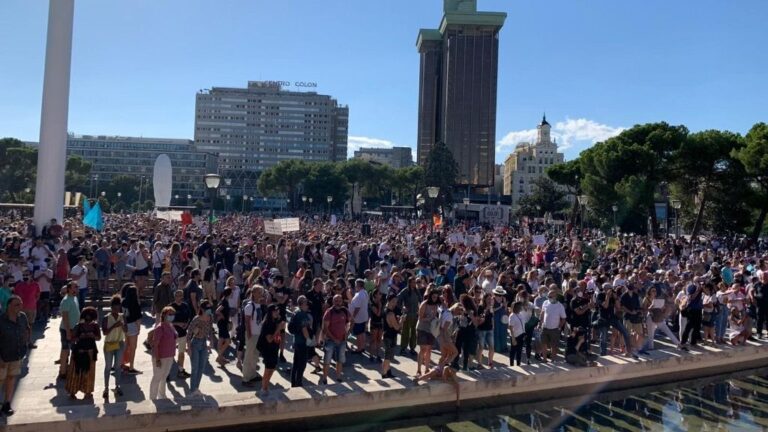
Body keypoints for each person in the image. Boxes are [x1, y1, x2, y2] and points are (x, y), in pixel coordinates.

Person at [0, 296, 30, 416]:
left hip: (17, 354)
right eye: (17, 304)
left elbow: (27, 329)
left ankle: (7, 403)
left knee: (11, 378)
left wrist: (25, 343)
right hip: (3, 356)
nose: (20, 307)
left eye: (21, 304)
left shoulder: (22, 317)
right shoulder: (1, 320)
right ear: (9, 306)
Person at [66, 306, 101, 400]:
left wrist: (92, 335)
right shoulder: (78, 326)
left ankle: (87, 391)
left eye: (90, 317)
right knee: (76, 372)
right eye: (87, 316)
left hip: (90, 351)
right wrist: (80, 337)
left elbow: (99, 338)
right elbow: (72, 339)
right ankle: (72, 391)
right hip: (79, 351)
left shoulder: (95, 325)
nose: (88, 319)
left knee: (88, 373)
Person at [186, 299, 215, 396]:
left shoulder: (210, 318)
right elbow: (189, 334)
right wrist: (189, 348)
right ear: (202, 309)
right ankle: (192, 390)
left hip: (203, 344)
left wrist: (211, 341)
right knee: (195, 368)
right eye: (207, 309)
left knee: (201, 367)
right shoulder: (196, 319)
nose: (209, 310)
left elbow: (211, 330)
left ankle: (196, 388)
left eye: (210, 308)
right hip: (195, 344)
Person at [320, 294, 350, 385]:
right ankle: (324, 378)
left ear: (342, 302)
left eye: (339, 301)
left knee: (340, 360)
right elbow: (325, 328)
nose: (338, 302)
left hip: (342, 340)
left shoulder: (345, 311)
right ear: (333, 301)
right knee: (327, 360)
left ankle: (338, 377)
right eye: (336, 300)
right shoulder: (329, 312)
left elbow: (351, 321)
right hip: (330, 341)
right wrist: (334, 339)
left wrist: (347, 333)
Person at [149, 306, 177, 400]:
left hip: (170, 355)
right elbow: (155, 345)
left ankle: (162, 395)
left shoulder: (171, 325)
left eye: (173, 314)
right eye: (170, 314)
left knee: (164, 376)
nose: (172, 316)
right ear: (164, 315)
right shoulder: (159, 328)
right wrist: (157, 359)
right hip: (160, 357)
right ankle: (152, 398)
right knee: (157, 377)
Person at [101, 295, 126, 399]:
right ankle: (106, 388)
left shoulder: (122, 316)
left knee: (118, 367)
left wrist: (123, 326)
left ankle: (117, 386)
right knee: (108, 366)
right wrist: (114, 326)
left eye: (118, 308)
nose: (116, 310)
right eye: (114, 308)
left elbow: (126, 331)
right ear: (111, 308)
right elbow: (105, 332)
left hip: (120, 343)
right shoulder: (106, 318)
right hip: (109, 343)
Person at [256, 304, 285, 394]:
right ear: (270, 312)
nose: (277, 312)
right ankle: (263, 388)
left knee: (272, 368)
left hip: (274, 347)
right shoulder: (267, 324)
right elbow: (269, 339)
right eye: (275, 311)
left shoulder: (275, 321)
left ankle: (266, 386)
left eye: (277, 310)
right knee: (268, 369)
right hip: (267, 348)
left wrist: (281, 328)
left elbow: (279, 336)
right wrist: (278, 329)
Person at [242, 285, 265, 386]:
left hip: (258, 333)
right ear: (254, 293)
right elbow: (247, 322)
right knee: (248, 355)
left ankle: (252, 374)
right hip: (252, 334)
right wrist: (249, 333)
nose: (261, 294)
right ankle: (246, 378)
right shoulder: (249, 306)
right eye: (259, 292)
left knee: (255, 355)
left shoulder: (258, 305)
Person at [289, 295, 313, 387]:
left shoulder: (296, 312)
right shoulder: (302, 314)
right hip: (302, 343)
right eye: (306, 303)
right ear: (302, 304)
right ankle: (298, 383)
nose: (308, 305)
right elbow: (304, 328)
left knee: (295, 364)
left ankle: (293, 383)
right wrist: (308, 339)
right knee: (301, 364)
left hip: (296, 342)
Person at [58, 280, 80, 380]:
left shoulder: (74, 298)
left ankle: (71, 369)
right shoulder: (66, 300)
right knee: (65, 350)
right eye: (75, 287)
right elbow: (65, 317)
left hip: (74, 328)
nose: (77, 289)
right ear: (69, 289)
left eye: (77, 287)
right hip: (67, 328)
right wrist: (67, 331)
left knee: (73, 350)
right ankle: (63, 371)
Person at [381, 294, 406, 379]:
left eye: (396, 301)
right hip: (389, 337)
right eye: (393, 301)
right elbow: (397, 327)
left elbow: (391, 324)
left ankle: (388, 371)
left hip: (387, 335)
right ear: (389, 301)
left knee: (389, 356)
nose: (395, 303)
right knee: (387, 357)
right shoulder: (391, 313)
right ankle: (384, 374)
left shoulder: (385, 309)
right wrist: (402, 321)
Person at [416, 288, 440, 375]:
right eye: (433, 297)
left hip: (431, 329)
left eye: (436, 297)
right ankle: (418, 370)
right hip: (422, 328)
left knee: (429, 349)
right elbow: (420, 318)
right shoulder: (424, 304)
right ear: (430, 296)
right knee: (422, 349)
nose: (435, 299)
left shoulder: (436, 305)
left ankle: (426, 369)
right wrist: (428, 318)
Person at [538, 289, 566, 362]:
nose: (549, 298)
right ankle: (544, 359)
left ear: (555, 297)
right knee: (543, 344)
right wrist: (539, 323)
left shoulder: (560, 306)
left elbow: (563, 318)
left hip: (554, 329)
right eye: (548, 296)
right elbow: (542, 313)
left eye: (550, 296)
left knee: (554, 345)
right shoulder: (545, 302)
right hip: (545, 327)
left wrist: (559, 327)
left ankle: (553, 360)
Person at [120, 283, 142, 374]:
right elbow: (138, 317)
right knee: (133, 347)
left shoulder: (123, 301)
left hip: (125, 324)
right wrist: (138, 328)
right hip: (132, 325)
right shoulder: (135, 302)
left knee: (125, 345)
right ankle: (131, 367)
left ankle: (120, 364)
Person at [170, 289, 192, 379]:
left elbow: (189, 317)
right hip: (172, 334)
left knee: (181, 353)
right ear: (174, 296)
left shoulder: (185, 306)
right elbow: (167, 321)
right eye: (177, 295)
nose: (179, 297)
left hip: (183, 333)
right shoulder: (171, 307)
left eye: (181, 295)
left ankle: (181, 370)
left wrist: (186, 324)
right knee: (170, 354)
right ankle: (167, 373)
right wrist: (177, 323)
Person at [349, 279, 369, 356]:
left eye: (356, 284)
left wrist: (353, 317)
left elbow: (357, 308)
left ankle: (359, 348)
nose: (355, 286)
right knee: (362, 333)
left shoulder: (359, 295)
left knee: (359, 334)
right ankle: (362, 347)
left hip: (358, 318)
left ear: (358, 285)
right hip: (363, 317)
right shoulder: (365, 292)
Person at [214, 288, 233, 367]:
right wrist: (222, 316)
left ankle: (220, 357)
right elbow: (217, 311)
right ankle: (219, 356)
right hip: (222, 323)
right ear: (229, 293)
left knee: (221, 339)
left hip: (222, 323)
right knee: (228, 341)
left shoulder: (223, 300)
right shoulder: (224, 302)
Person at [508, 302, 526, 366]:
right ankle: (511, 365)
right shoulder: (512, 316)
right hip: (515, 336)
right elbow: (510, 327)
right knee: (513, 351)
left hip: (521, 335)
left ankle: (518, 364)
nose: (521, 307)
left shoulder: (520, 314)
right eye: (520, 306)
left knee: (519, 352)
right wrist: (513, 338)